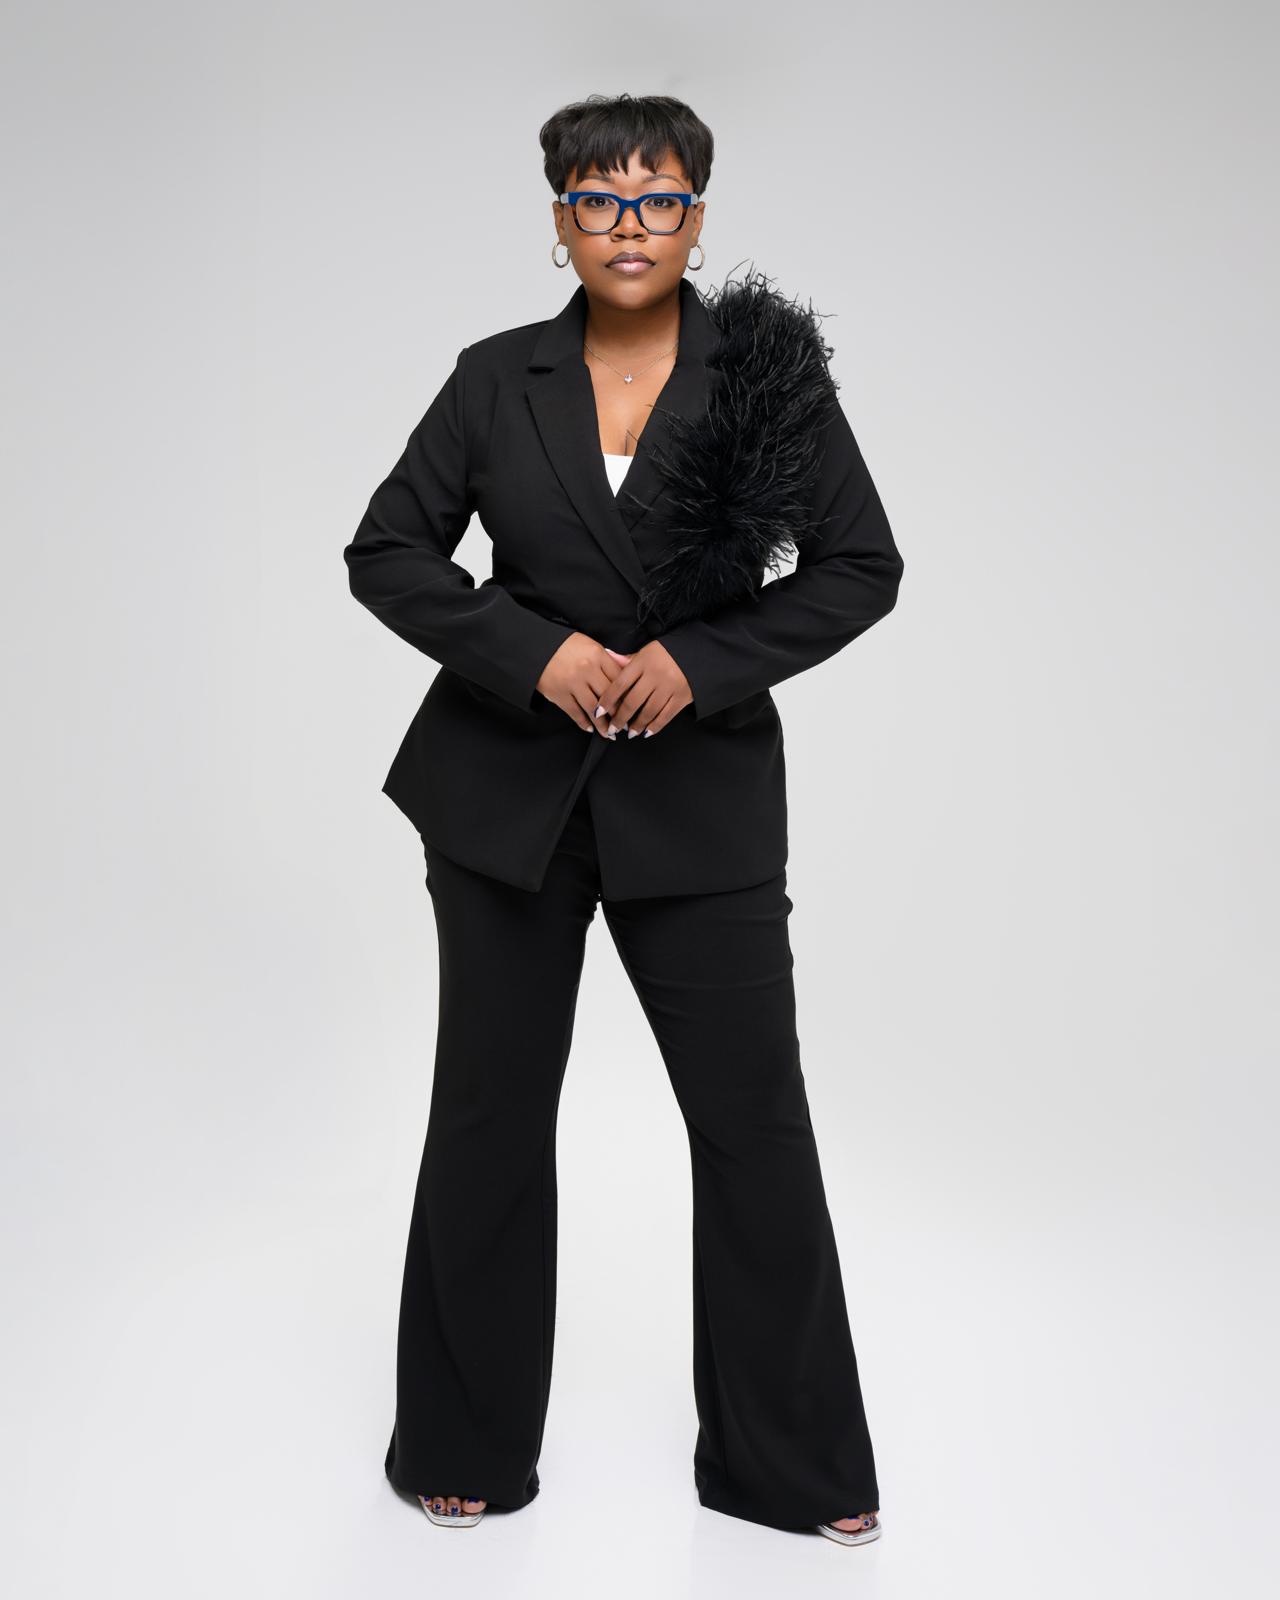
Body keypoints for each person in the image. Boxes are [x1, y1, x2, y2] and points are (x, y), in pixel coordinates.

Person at [343, 92, 904, 1547]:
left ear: (697, 219)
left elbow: (861, 565)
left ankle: (789, 1466)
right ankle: (462, 1443)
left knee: (754, 1124)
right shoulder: (495, 378)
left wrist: (698, 666)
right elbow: (387, 550)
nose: (630, 226)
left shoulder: (765, 376)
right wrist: (531, 654)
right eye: (599, 200)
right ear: (560, 222)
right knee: (488, 1112)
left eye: (657, 199)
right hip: (504, 800)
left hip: (697, 804)